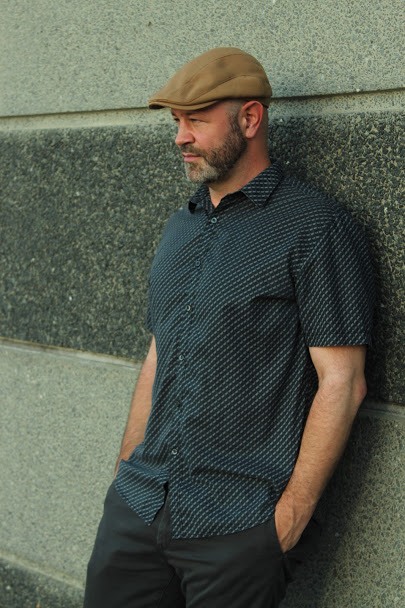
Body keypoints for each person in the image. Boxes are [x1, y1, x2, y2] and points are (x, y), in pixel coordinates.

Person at [84, 47, 374, 608]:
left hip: (237, 527)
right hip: (139, 510)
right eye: (176, 122)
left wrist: (286, 523)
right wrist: (125, 474)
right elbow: (158, 355)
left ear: (250, 119)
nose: (181, 138)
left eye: (196, 120)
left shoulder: (314, 227)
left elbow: (343, 382)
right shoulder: (180, 226)